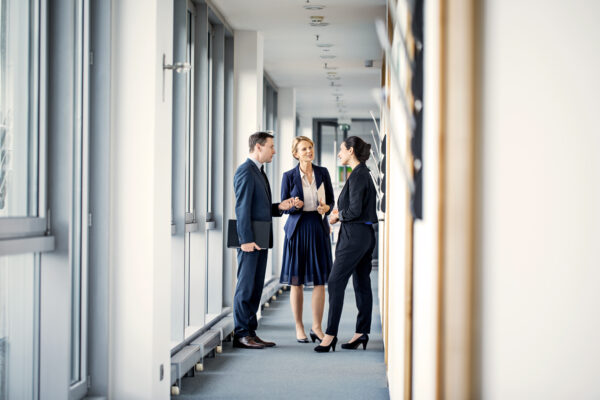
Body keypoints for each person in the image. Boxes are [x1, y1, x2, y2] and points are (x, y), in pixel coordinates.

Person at [315, 136, 378, 353]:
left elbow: (355, 210)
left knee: (335, 282)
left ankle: (330, 334)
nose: (339, 153)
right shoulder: (361, 174)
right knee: (361, 282)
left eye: (342, 150)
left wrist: (337, 216)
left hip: (355, 236)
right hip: (363, 234)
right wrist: (340, 214)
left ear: (351, 151)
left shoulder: (359, 175)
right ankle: (361, 332)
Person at [232, 132, 294, 349]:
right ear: (258, 147)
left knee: (256, 286)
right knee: (246, 287)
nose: (274, 151)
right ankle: (241, 334)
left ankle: (250, 331)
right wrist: (245, 240)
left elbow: (260, 208)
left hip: (260, 236)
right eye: (271, 146)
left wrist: (280, 207)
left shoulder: (259, 172)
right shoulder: (245, 172)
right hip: (250, 239)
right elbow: (242, 209)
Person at [280, 136, 335, 343]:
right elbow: (284, 206)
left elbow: (330, 199)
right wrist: (294, 205)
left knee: (320, 280)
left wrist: (326, 208)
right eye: (304, 149)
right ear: (296, 154)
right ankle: (299, 327)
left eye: (310, 148)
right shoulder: (288, 176)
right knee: (297, 281)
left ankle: (317, 327)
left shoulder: (323, 172)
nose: (309, 152)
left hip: (318, 227)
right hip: (297, 229)